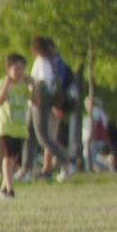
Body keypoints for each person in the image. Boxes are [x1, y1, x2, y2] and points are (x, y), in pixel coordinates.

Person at [22, 36, 75, 181]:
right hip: (33, 103)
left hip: (40, 103)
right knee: (29, 136)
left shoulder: (44, 62)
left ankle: (66, 161)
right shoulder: (44, 61)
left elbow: (45, 83)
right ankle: (25, 169)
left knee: (43, 137)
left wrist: (29, 80)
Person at [0, 53, 36, 199]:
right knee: (7, 157)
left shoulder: (23, 87)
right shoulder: (0, 83)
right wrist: (7, 84)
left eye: (22, 69)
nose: (20, 72)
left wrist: (33, 85)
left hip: (19, 128)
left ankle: (3, 188)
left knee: (13, 160)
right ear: (8, 69)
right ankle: (10, 189)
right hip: (4, 127)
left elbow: (36, 101)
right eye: (16, 68)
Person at [82, 96, 112, 173]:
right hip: (98, 138)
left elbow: (94, 124)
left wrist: (91, 136)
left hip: (96, 139)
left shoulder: (95, 111)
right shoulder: (100, 112)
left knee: (90, 157)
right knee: (93, 157)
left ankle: (106, 168)